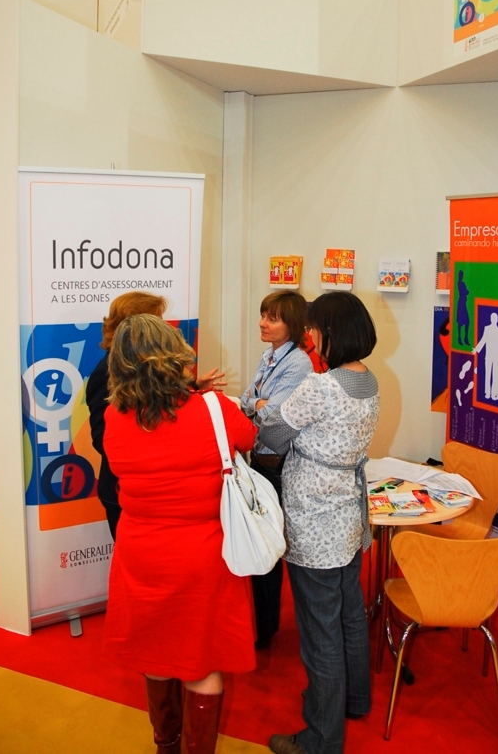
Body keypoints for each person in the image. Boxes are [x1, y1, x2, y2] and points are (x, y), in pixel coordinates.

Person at [104, 314, 257, 754]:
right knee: (202, 662)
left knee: (156, 654)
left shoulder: (115, 417)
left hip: (141, 551)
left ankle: (165, 744)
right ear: (175, 355)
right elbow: (248, 438)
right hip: (202, 554)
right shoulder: (214, 409)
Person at [258, 291, 380, 754]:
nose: (308, 335)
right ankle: (355, 700)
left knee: (319, 633)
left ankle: (321, 739)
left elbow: (273, 435)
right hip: (347, 515)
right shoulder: (368, 381)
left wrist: (263, 409)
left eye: (312, 328)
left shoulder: (321, 386)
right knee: (349, 614)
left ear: (329, 332)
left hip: (313, 517)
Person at [86, 291, 224, 540]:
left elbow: (159, 402)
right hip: (124, 492)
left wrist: (193, 386)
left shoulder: (147, 367)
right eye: (157, 320)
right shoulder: (106, 373)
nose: (163, 327)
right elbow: (101, 437)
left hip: (158, 492)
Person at [240, 291, 313, 647]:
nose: (262, 324)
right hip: (260, 461)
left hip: (279, 465)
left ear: (293, 324)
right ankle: (261, 625)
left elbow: (274, 416)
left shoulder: (298, 363)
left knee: (270, 547)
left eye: (272, 318)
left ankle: (266, 629)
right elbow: (247, 401)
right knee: (259, 545)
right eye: (263, 315)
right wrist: (257, 403)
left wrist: (254, 405)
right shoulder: (269, 355)